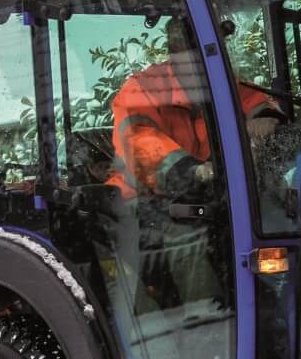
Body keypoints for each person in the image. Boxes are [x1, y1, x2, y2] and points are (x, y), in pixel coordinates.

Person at [107, 18, 284, 309]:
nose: (208, 59)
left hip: (207, 197)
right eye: (195, 52)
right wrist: (190, 170)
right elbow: (140, 143)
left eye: (213, 49)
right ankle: (204, 320)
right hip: (143, 206)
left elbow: (254, 101)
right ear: (174, 52)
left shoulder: (218, 83)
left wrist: (268, 118)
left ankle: (262, 312)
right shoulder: (143, 90)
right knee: (193, 246)